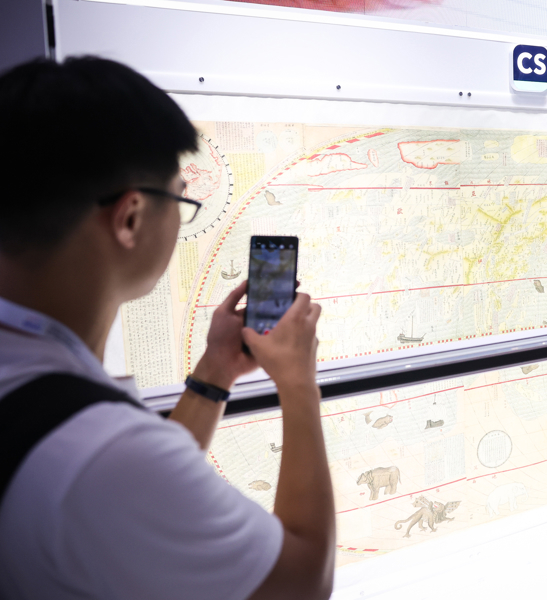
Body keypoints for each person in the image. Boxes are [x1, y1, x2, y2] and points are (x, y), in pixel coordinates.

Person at [0, 57, 335, 599]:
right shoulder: (99, 450)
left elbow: (132, 494)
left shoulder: (42, 391)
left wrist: (215, 372)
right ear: (130, 217)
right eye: (180, 198)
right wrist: (298, 385)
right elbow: (301, 583)